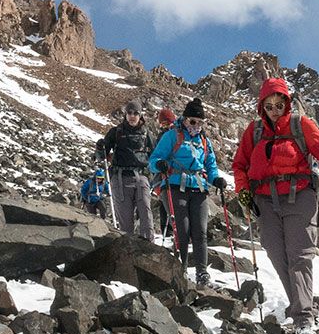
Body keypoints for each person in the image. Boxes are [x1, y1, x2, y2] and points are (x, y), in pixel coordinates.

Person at [233, 77, 319, 334]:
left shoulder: (301, 125)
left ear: (287, 103)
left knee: (299, 256)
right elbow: (240, 165)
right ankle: (310, 310)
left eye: (279, 105)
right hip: (265, 201)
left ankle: (303, 321)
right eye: (269, 106)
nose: (275, 111)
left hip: (300, 196)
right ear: (261, 107)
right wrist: (243, 191)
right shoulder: (254, 131)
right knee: (278, 256)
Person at [148, 97, 226, 284]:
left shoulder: (204, 141)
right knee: (182, 230)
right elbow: (153, 159)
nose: (196, 126)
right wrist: (160, 164)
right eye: (193, 121)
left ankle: (202, 273)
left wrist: (215, 179)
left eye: (200, 122)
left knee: (200, 231)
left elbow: (210, 164)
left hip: (199, 188)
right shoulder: (172, 136)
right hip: (175, 186)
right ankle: (181, 271)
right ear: (184, 119)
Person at [97, 100, 155, 239]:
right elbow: (102, 155)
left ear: (140, 115)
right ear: (125, 114)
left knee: (146, 215)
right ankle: (129, 247)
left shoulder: (146, 133)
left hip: (141, 177)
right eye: (129, 113)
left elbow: (155, 155)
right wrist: (100, 148)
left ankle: (149, 245)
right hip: (120, 178)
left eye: (136, 113)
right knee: (125, 220)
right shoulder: (116, 132)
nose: (132, 116)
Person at [153, 106, 177, 235]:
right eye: (163, 124)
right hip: (162, 174)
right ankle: (166, 230)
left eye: (167, 123)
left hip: (175, 173)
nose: (165, 126)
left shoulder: (177, 136)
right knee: (164, 200)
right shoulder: (161, 137)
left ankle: (171, 230)